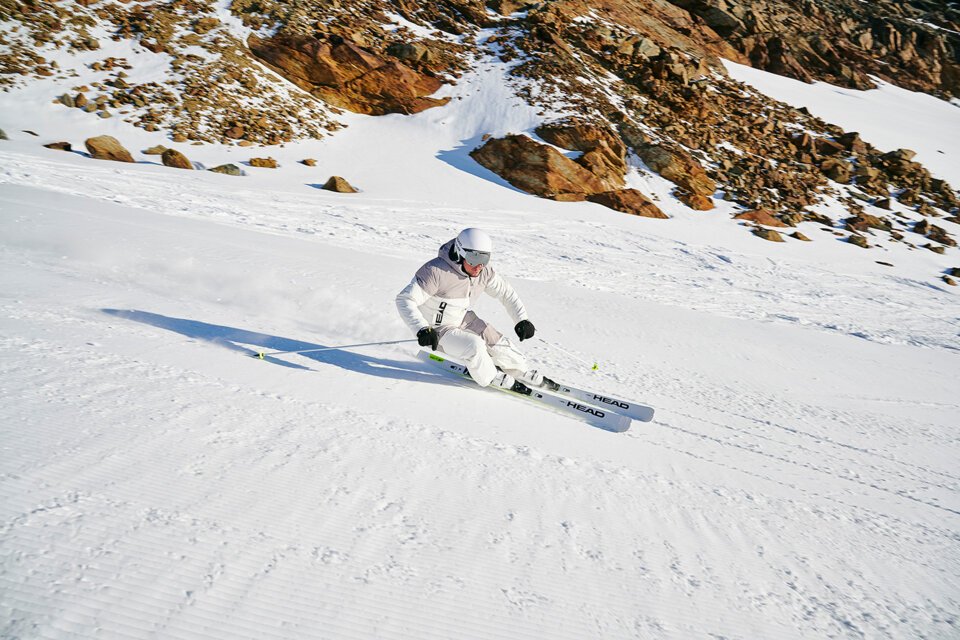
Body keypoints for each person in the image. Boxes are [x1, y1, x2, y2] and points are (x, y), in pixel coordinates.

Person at [396, 228, 549, 392]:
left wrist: (522, 319)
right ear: (459, 253)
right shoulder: (435, 272)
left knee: (499, 345)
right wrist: (421, 329)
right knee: (474, 346)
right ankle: (492, 377)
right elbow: (405, 299)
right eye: (473, 258)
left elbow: (506, 293)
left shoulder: (483, 271)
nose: (479, 266)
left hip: (463, 319)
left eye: (484, 258)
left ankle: (520, 371)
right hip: (436, 330)